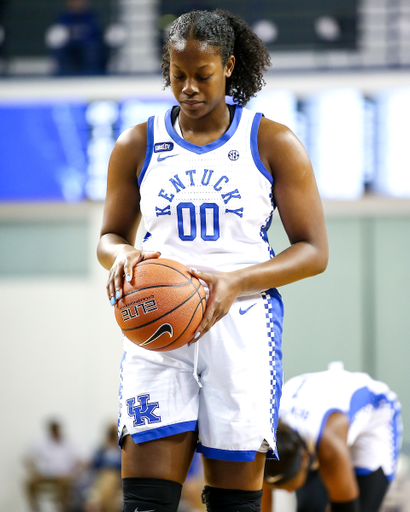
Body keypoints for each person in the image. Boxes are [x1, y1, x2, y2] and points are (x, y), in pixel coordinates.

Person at [96, 9, 328, 512]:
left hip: (240, 325)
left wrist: (236, 280)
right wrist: (122, 254)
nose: (189, 88)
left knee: (233, 504)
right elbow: (110, 236)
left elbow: (314, 251)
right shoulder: (136, 143)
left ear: (229, 65)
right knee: (144, 502)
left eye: (202, 76)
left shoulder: (272, 142)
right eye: (178, 75)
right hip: (156, 326)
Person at [264, 363, 402, 512]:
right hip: (318, 409)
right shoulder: (263, 444)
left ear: (305, 458)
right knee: (310, 507)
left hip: (376, 417)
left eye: (288, 486)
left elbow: (346, 507)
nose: (289, 492)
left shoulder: (329, 445)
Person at [24, 419, 81, 512]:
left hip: (63, 476)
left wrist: (74, 473)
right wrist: (34, 472)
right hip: (45, 475)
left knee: (64, 485)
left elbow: (80, 460)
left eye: (56, 429)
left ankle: (62, 508)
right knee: (29, 484)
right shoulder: (41, 443)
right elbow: (27, 459)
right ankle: (36, 509)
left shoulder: (69, 443)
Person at [84, 423, 122, 512]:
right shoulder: (101, 450)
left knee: (110, 478)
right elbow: (94, 465)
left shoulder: (122, 450)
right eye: (111, 434)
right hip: (101, 479)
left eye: (114, 434)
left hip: (118, 481)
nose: (112, 437)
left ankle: (104, 501)